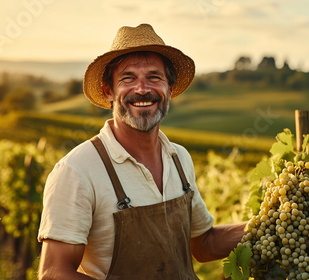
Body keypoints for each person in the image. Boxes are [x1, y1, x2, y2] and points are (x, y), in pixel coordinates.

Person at [37, 23, 246, 280]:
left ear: (169, 89)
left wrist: (270, 222)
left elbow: (204, 245)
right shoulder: (78, 170)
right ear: (108, 91)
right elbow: (54, 273)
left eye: (154, 77)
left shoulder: (179, 159)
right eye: (128, 78)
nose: (142, 89)